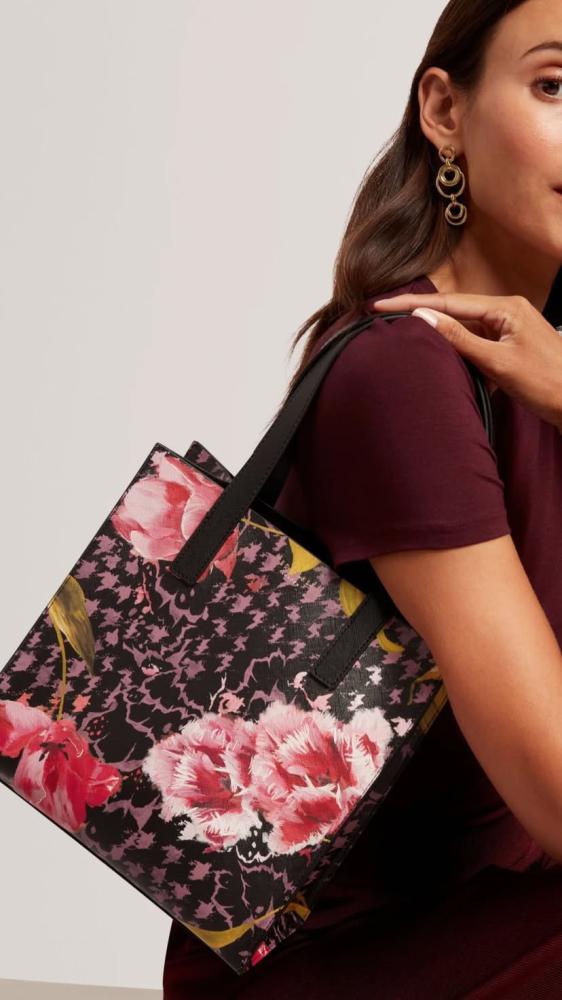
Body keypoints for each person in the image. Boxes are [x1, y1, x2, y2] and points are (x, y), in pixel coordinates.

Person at [162, 0, 562, 995]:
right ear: (444, 111)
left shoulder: (548, 378)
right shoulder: (402, 373)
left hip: (495, 921)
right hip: (335, 963)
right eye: (555, 86)